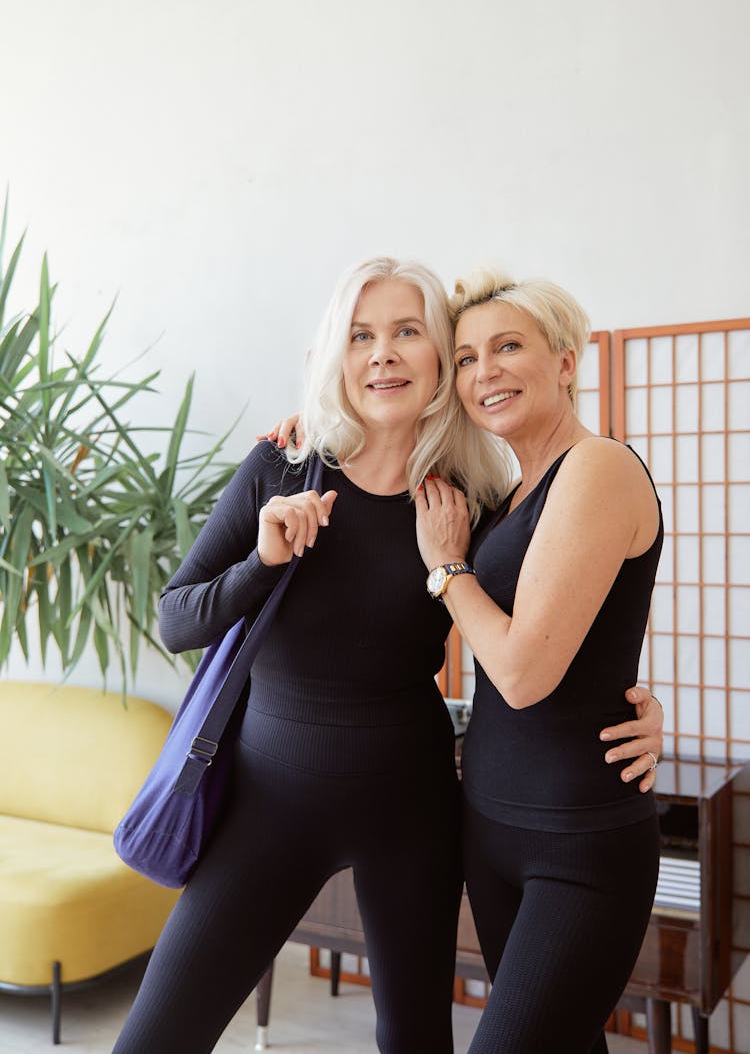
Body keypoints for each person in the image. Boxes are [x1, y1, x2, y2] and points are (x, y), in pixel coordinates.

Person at [113, 258, 663, 1054]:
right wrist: (263, 564)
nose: (384, 353)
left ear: (436, 357)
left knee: (414, 1041)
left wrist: (639, 703)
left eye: (409, 332)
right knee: (156, 1037)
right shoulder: (283, 467)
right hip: (270, 803)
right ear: (338, 354)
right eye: (362, 335)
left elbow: (556, 623)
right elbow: (174, 618)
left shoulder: (464, 501)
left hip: (415, 810)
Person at [414, 269, 663, 1053]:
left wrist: (450, 571)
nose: (484, 370)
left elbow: (522, 674)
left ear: (564, 360)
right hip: (491, 827)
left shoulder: (600, 466)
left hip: (578, 842)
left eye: (508, 345)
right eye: (465, 357)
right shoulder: (506, 494)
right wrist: (303, 435)